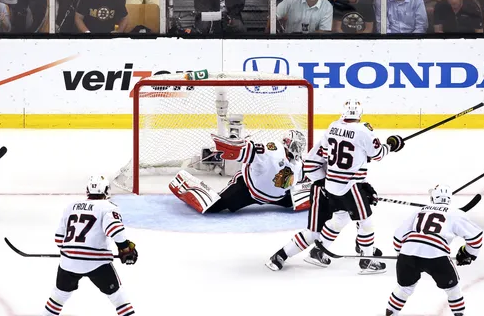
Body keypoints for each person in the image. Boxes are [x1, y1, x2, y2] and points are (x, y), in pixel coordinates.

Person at [305, 99, 405, 274]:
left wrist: (359, 154)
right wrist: (391, 145)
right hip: (351, 185)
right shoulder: (363, 130)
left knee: (339, 219)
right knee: (366, 222)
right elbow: (378, 154)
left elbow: (330, 151)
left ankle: (319, 251)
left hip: (331, 184)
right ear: (359, 113)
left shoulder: (332, 127)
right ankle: (368, 261)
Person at [42, 175, 138, 316]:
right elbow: (115, 231)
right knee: (118, 298)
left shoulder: (70, 207)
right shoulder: (108, 207)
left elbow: (58, 240)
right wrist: (125, 249)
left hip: (68, 263)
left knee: (57, 298)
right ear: (106, 191)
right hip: (97, 264)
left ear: (88, 190)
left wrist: (74, 252)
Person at [386, 185, 483, 316]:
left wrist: (401, 254)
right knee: (453, 289)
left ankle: (390, 313)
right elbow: (476, 237)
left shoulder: (420, 210)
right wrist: (468, 253)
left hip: (408, 253)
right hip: (436, 255)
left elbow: (398, 237)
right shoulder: (456, 213)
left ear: (433, 198)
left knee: (404, 288)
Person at [169, 130, 307, 213]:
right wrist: (232, 147)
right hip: (247, 190)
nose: (297, 148)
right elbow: (249, 151)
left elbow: (307, 175)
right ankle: (187, 184)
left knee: (295, 200)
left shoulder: (298, 163)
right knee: (213, 207)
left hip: (275, 197)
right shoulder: (275, 150)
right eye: (297, 145)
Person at [265, 139, 331, 271]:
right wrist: (323, 183)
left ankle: (364, 248)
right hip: (323, 192)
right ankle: (281, 255)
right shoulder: (329, 142)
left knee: (343, 219)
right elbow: (310, 167)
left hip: (339, 191)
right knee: (314, 233)